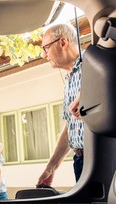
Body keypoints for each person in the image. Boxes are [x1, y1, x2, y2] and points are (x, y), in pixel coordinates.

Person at [37, 23, 84, 187]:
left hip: (102, 158)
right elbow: (69, 127)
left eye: (46, 48)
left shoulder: (94, 64)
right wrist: (51, 168)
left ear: (63, 42)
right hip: (80, 161)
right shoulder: (69, 79)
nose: (44, 55)